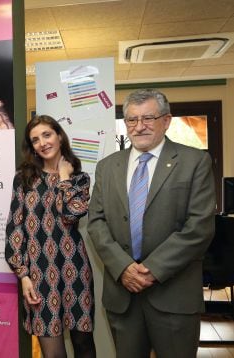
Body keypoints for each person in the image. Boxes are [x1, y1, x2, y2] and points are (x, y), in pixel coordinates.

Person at [87, 89, 216, 357]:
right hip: (123, 296)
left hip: (174, 296)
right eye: (132, 120)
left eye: (148, 118)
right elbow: (96, 222)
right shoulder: (108, 167)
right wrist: (123, 268)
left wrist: (151, 270)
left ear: (166, 120)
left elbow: (199, 227)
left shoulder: (194, 162)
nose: (139, 126)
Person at [5, 115, 96, 358]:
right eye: (35, 140)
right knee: (53, 353)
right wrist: (23, 275)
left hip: (75, 270)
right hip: (38, 273)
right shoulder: (24, 178)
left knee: (84, 346)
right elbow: (15, 228)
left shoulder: (79, 179)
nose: (42, 143)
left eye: (47, 135)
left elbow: (70, 215)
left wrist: (64, 178)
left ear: (59, 136)